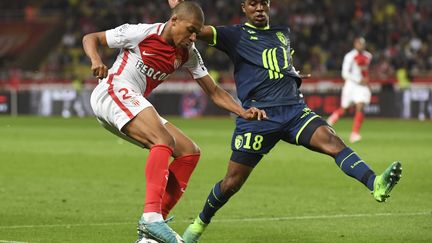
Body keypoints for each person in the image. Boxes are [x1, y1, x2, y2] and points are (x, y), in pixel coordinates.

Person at [172, 1, 403, 242]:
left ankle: (375, 183)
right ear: (244, 8)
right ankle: (199, 225)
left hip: (294, 110)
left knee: (332, 141)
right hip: (258, 117)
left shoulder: (283, 33)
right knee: (232, 183)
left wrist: (290, 73)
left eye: (263, 3)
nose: (259, 8)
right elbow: (196, 28)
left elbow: (278, 62)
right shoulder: (233, 35)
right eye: (253, 4)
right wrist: (179, 8)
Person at [82, 2, 266, 243]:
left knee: (189, 152)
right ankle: (151, 218)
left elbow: (213, 91)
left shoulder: (188, 53)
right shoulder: (142, 33)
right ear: (174, 21)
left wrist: (242, 112)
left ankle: (150, 235)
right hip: (112, 90)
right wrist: (96, 60)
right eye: (190, 30)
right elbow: (91, 37)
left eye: (196, 33)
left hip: (131, 100)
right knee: (163, 140)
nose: (192, 37)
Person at [326, 37, 373, 143]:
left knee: (360, 106)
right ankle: (329, 121)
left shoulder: (368, 56)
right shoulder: (349, 56)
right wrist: (358, 80)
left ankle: (354, 134)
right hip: (351, 85)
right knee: (345, 109)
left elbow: (365, 72)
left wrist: (367, 82)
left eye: (362, 44)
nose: (360, 45)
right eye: (358, 43)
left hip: (361, 87)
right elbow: (345, 73)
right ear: (355, 44)